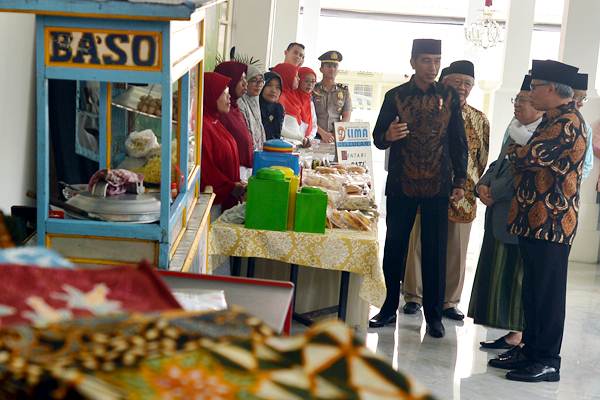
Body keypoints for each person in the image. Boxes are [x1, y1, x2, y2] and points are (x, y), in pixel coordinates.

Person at [488, 60, 585, 383]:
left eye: (535, 87)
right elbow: (522, 154)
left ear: (553, 90)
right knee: (532, 291)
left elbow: (530, 157)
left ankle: (547, 360)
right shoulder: (550, 120)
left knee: (547, 294)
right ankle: (530, 350)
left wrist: (519, 150)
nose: (530, 93)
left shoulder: (568, 123)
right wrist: (520, 151)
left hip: (552, 223)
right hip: (532, 221)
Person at [369, 39, 468, 339]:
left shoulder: (449, 96)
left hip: (438, 185)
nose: (433, 67)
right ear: (413, 62)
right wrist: (388, 134)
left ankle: (434, 316)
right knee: (395, 248)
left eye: (437, 61)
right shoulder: (395, 96)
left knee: (436, 251)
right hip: (402, 183)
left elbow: (458, 141)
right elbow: (378, 137)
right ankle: (388, 308)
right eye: (426, 60)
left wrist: (460, 181)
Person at [402, 60, 489, 321]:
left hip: (463, 194)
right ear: (444, 81)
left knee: (456, 248)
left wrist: (466, 183)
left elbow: (481, 156)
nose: (462, 88)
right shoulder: (426, 109)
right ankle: (414, 296)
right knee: (418, 243)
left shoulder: (479, 119)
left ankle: (449, 301)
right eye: (456, 82)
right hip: (425, 188)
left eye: (468, 84)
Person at [468, 75, 543, 350]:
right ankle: (512, 331)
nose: (517, 105)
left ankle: (519, 334)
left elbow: (519, 175)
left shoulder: (540, 135)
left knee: (516, 277)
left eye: (523, 100)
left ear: (538, 107)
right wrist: (481, 185)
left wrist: (494, 192)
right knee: (500, 275)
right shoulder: (515, 129)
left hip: (518, 217)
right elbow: (500, 164)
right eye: (517, 100)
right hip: (498, 214)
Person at [200, 72, 246, 215]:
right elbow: (206, 169)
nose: (229, 97)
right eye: (224, 93)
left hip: (225, 198)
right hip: (211, 205)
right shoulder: (203, 126)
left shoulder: (215, 121)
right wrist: (230, 186)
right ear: (211, 95)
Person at [214, 61, 253, 176]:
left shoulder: (234, 108)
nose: (246, 84)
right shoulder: (220, 113)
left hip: (242, 173)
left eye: (246, 79)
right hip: (230, 176)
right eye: (241, 80)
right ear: (229, 80)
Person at [313, 50, 352, 143]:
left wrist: (335, 134)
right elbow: (307, 116)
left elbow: (346, 117)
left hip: (336, 137)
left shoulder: (344, 91)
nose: (332, 69)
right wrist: (323, 133)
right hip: (315, 136)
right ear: (321, 69)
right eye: (329, 66)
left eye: (335, 66)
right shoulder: (313, 90)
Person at [270, 62, 307, 144]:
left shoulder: (291, 96)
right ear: (287, 76)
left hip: (294, 143)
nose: (299, 79)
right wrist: (300, 138)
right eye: (296, 76)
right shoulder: (279, 98)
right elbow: (279, 128)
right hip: (284, 145)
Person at [237, 64, 267, 151]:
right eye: (254, 80)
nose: (259, 84)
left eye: (261, 81)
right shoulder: (239, 103)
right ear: (245, 82)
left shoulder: (256, 101)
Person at [572, 73, 594, 179]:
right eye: (577, 98)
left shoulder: (585, 128)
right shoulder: (546, 120)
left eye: (584, 98)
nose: (581, 104)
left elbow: (587, 164)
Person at [260, 71, 285, 141]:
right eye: (269, 85)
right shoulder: (254, 106)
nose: (273, 90)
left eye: (278, 87)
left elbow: (277, 135)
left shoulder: (278, 108)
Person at [298, 66, 319, 141]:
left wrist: (309, 138)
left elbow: (314, 125)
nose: (310, 84)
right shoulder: (293, 99)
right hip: (293, 141)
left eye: (313, 81)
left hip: (306, 142)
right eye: (306, 81)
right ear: (299, 80)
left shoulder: (310, 102)